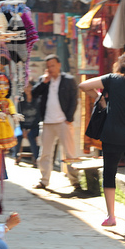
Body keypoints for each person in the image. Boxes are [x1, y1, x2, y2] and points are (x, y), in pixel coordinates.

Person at [79, 52, 125, 237]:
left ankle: (111, 216)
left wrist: (103, 101)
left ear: (120, 68)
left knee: (109, 174)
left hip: (112, 136)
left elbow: (83, 85)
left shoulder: (112, 80)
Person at [31, 54, 80, 191]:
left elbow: (73, 100)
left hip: (63, 122)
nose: (51, 68)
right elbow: (34, 94)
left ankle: (74, 180)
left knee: (70, 153)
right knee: (45, 153)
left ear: (59, 65)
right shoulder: (44, 80)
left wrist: (69, 118)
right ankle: (44, 180)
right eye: (48, 66)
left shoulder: (68, 80)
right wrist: (43, 82)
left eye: (52, 65)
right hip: (47, 122)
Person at [14, 80, 40, 167]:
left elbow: (38, 117)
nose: (27, 88)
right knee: (17, 135)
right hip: (22, 126)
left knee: (31, 136)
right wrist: (23, 129)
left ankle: (36, 159)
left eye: (29, 86)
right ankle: (16, 157)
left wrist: (29, 130)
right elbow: (19, 116)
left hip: (34, 127)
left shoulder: (37, 101)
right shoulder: (20, 101)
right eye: (26, 86)